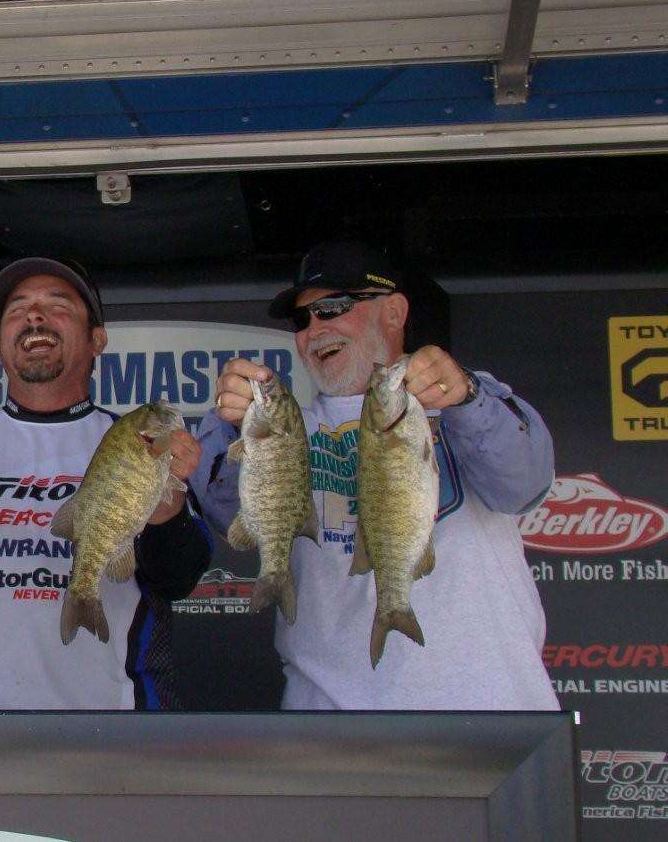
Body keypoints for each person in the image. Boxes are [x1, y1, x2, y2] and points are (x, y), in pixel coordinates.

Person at [192, 240, 559, 710]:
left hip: (485, 709)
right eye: (302, 320)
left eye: (332, 308)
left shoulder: (464, 397)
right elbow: (226, 515)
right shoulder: (283, 426)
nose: (314, 329)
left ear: (394, 312)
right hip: (330, 718)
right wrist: (230, 425)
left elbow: (523, 487)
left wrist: (467, 397)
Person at [0, 257, 212, 709]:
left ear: (97, 340)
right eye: (18, 308)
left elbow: (176, 578)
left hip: (111, 724)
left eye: (58, 305)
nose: (34, 316)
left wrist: (165, 507)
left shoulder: (137, 442)